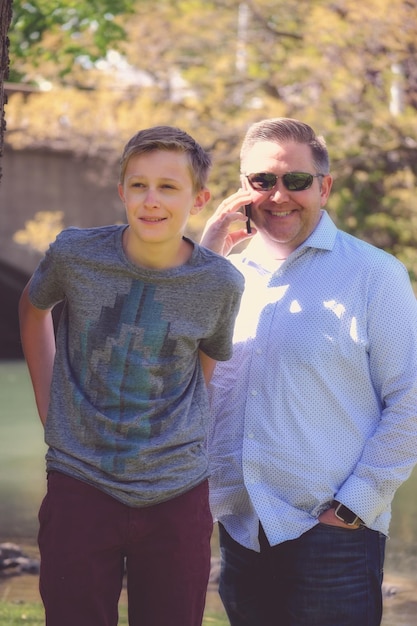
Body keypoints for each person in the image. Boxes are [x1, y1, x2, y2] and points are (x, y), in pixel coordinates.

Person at [18, 125, 245, 626]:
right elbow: (33, 310)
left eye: (168, 186)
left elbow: (202, 368)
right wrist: (47, 403)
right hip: (80, 480)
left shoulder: (221, 283)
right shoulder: (76, 255)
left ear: (198, 198)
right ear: (121, 191)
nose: (151, 200)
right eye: (138, 184)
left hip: (177, 489)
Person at [201, 117, 417, 626]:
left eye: (296, 181)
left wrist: (352, 510)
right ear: (243, 189)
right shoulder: (222, 273)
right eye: (263, 181)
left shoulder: (373, 274)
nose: (279, 195)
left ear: (325, 187)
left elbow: (410, 397)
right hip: (241, 529)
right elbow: (178, 378)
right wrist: (205, 256)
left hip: (334, 535)